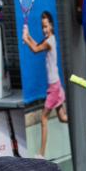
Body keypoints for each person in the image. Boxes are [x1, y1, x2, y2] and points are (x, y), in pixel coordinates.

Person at [23, 11, 68, 158]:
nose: (44, 30)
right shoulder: (49, 39)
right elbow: (36, 44)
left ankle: (41, 154)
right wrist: (28, 36)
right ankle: (81, 123)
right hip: (55, 85)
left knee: (43, 118)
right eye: (42, 27)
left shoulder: (50, 41)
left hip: (54, 87)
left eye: (46, 26)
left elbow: (35, 49)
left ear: (52, 26)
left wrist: (25, 38)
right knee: (62, 117)